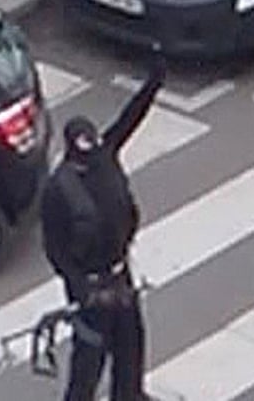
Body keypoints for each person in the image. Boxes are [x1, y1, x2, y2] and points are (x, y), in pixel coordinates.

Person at [41, 43, 166, 401]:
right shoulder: (58, 191)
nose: (92, 153)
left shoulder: (105, 153)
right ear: (71, 151)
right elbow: (55, 249)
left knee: (131, 345)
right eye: (85, 150)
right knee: (90, 356)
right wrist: (79, 287)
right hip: (90, 284)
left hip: (119, 273)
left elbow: (130, 118)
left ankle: (129, 395)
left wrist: (154, 81)